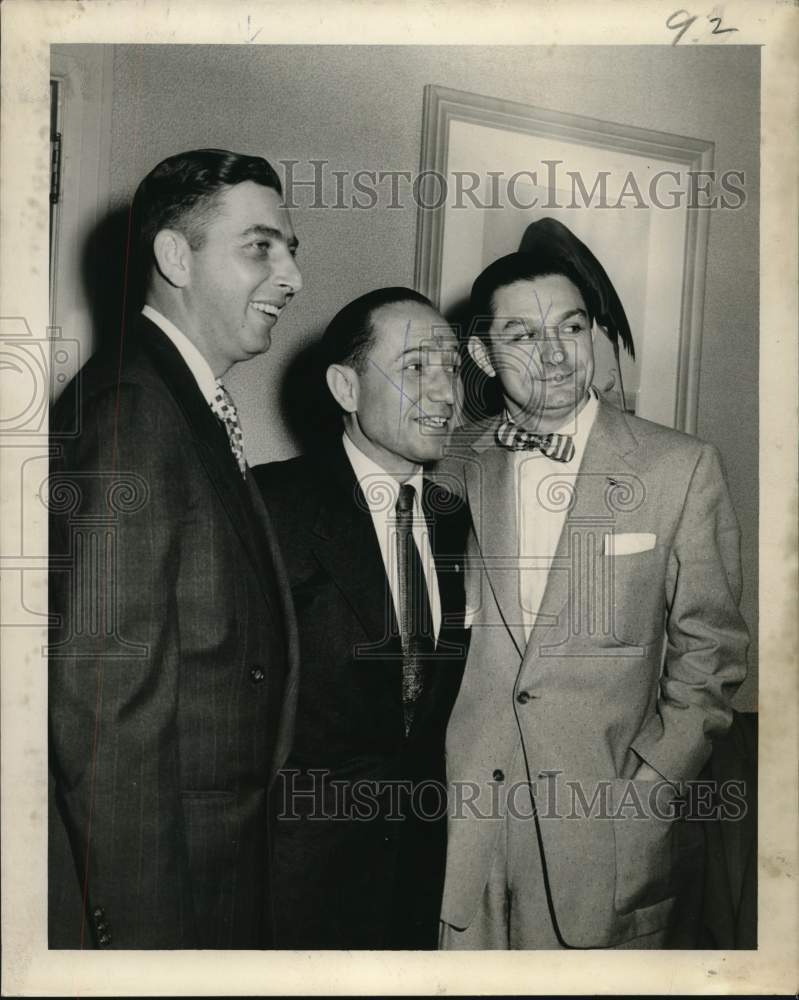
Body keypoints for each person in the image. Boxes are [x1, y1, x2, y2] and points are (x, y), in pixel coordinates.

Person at [435, 249, 749, 949]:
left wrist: (651, 789)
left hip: (604, 838)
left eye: (570, 328)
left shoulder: (680, 466)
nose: (552, 355)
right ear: (482, 355)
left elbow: (713, 652)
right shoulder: (448, 465)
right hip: (462, 836)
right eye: (522, 336)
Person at [48, 148, 303, 949]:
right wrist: (143, 941)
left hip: (217, 867)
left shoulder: (176, 401)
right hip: (171, 895)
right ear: (174, 257)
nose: (291, 277)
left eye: (290, 250)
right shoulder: (134, 412)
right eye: (260, 247)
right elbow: (105, 706)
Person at [254, 288, 470, 949]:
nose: (444, 394)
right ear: (346, 387)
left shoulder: (456, 522)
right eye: (413, 368)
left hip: (418, 878)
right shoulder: (268, 508)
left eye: (452, 367)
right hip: (289, 882)